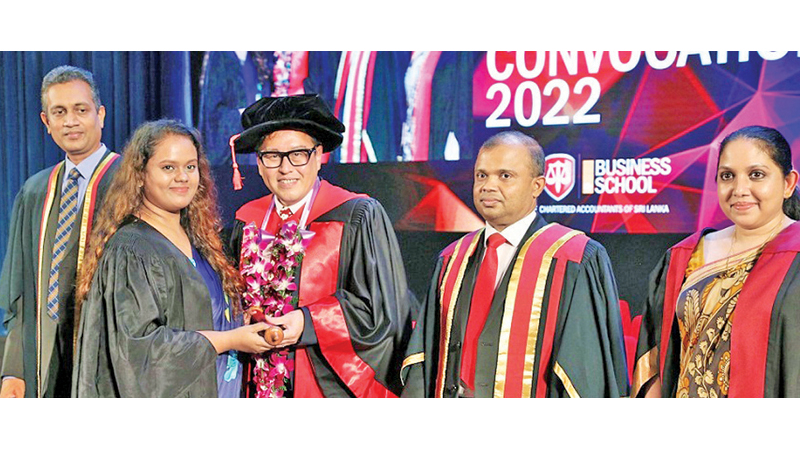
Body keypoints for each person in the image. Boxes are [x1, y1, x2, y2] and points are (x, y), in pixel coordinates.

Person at [401, 130, 629, 398]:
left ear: (537, 186)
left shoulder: (574, 259)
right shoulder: (452, 259)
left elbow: (584, 373)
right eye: (481, 175)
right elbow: (424, 358)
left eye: (505, 176)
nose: (488, 185)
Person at [227, 93, 414, 397]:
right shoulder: (246, 220)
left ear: (319, 157)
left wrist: (308, 322)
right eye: (272, 156)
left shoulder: (357, 214)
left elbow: (383, 312)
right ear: (259, 164)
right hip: (257, 385)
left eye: (298, 153)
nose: (285, 168)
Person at [72, 119, 273, 397]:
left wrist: (241, 322)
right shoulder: (132, 250)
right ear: (140, 175)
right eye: (169, 167)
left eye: (190, 167)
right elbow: (138, 353)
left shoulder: (199, 240)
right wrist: (229, 339)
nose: (183, 177)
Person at [632, 125, 800, 398]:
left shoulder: (795, 256)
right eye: (727, 176)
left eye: (756, 175)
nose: (739, 189)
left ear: (788, 183)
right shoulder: (684, 256)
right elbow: (655, 361)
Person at [0, 66, 121, 398]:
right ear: (46, 122)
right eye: (60, 112)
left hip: (110, 353)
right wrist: (12, 369)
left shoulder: (130, 182)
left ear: (101, 114)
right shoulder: (35, 191)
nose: (71, 121)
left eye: (81, 110)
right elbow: (19, 293)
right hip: (44, 352)